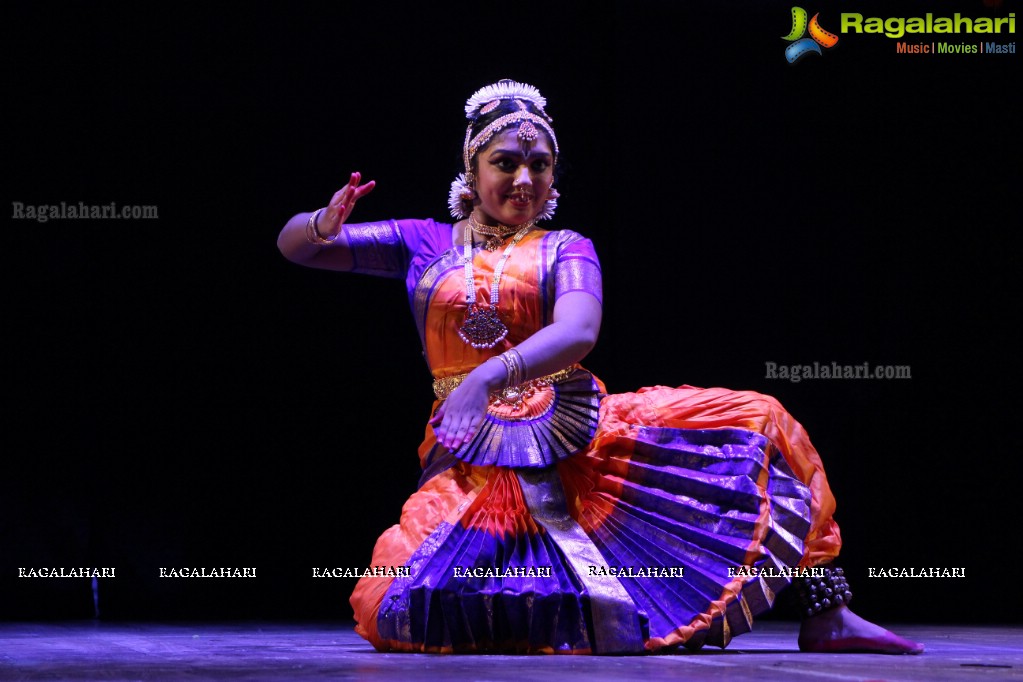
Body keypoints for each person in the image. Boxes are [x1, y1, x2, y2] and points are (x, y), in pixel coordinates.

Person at [277, 80, 923, 655]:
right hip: (469, 456)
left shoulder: (565, 247)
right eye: (505, 163)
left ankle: (826, 610)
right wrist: (321, 222)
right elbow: (297, 248)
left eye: (540, 164)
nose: (524, 179)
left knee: (761, 418)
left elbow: (578, 330)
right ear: (470, 171)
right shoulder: (421, 243)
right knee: (393, 599)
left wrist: (486, 376)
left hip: (577, 440)